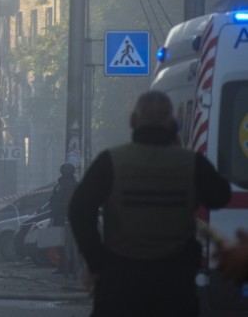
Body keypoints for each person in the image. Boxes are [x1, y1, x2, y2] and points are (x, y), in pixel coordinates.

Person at [68, 90, 231, 317]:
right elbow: (220, 195)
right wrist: (180, 147)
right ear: (173, 124)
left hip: (120, 283)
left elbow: (79, 210)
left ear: (133, 121)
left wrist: (97, 262)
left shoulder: (111, 161)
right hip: (174, 286)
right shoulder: (191, 164)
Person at [48, 162, 79, 275]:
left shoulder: (70, 185)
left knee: (67, 244)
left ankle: (68, 267)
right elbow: (55, 199)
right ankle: (63, 266)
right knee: (61, 243)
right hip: (60, 217)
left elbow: (67, 202)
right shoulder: (61, 183)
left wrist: (62, 214)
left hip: (65, 218)